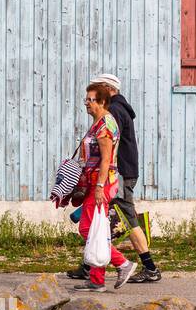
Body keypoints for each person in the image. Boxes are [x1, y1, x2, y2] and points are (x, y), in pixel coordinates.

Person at [66, 73, 160, 282]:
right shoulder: (119, 108)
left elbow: (107, 149)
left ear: (107, 90)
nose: (90, 101)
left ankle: (148, 267)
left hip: (118, 173)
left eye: (96, 92)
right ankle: (92, 267)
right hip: (118, 172)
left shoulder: (113, 112)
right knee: (99, 221)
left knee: (126, 218)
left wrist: (100, 182)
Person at [72, 81, 136, 292]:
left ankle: (123, 263)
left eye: (92, 100)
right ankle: (97, 280)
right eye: (86, 100)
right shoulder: (98, 123)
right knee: (95, 229)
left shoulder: (105, 125)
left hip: (102, 182)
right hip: (94, 181)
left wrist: (99, 186)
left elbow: (106, 159)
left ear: (102, 101)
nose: (87, 104)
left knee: (86, 228)